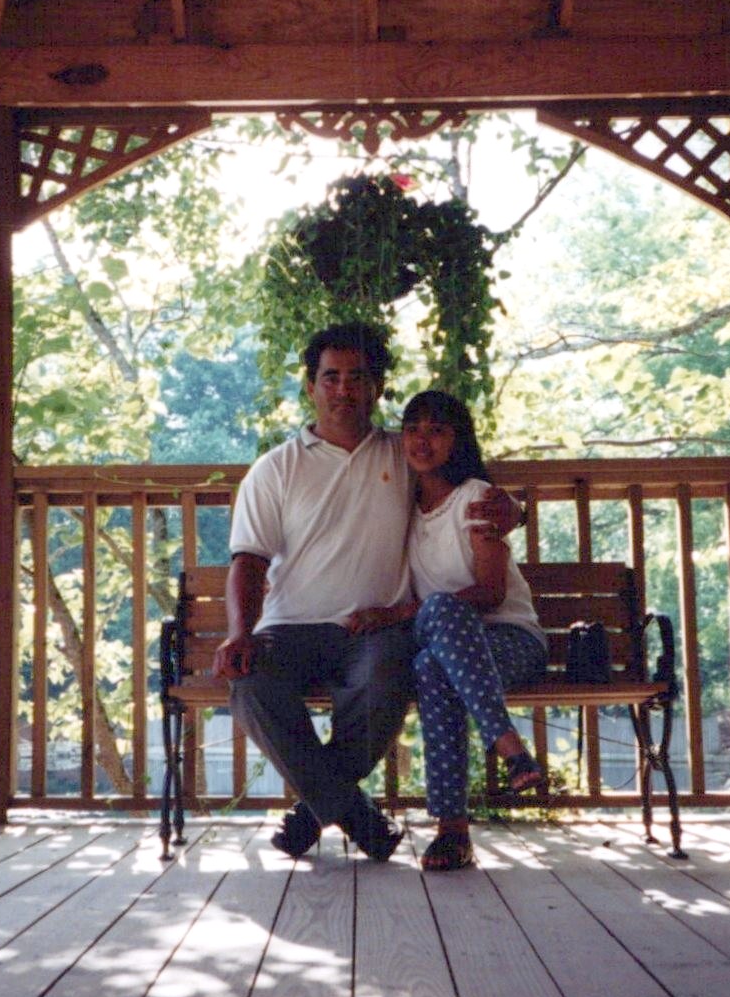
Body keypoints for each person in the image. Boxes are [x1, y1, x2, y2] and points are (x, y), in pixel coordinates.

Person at [214, 323, 519, 861]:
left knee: (386, 683)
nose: (343, 389)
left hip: (375, 630)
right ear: (311, 386)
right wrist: (240, 632)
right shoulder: (275, 468)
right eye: (330, 377)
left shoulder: (404, 455)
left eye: (357, 378)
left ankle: (317, 809)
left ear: (377, 388)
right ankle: (354, 813)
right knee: (250, 684)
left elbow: (467, 487)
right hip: (289, 629)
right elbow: (248, 560)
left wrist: (516, 509)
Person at [349, 390, 548, 872]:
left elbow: (492, 593)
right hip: (446, 649)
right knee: (430, 664)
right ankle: (460, 822)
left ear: (457, 440)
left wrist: (399, 614)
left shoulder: (476, 498)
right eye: (413, 429)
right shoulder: (402, 507)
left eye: (437, 430)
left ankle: (485, 770)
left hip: (511, 641)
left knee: (436, 630)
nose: (422, 440)